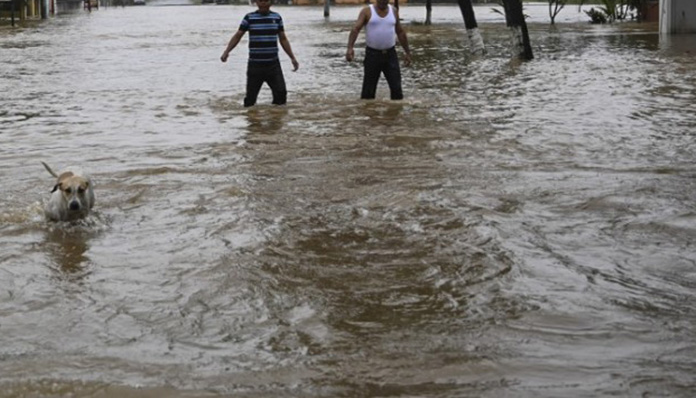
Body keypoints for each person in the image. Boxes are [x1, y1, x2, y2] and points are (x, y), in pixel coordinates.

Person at [221, 0, 299, 107]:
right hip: (255, 65)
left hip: (273, 65)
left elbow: (283, 39)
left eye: (265, 0)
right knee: (250, 99)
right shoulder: (249, 18)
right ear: (256, 2)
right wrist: (227, 51)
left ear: (270, 2)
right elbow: (238, 35)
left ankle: (275, 120)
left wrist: (292, 58)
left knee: (281, 95)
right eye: (260, 0)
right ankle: (252, 120)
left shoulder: (276, 18)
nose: (263, 3)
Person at [346, 0, 411, 100]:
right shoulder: (367, 11)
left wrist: (407, 52)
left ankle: (395, 114)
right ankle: (369, 114)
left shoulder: (393, 11)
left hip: (390, 55)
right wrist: (350, 48)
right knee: (368, 92)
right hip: (372, 55)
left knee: (397, 90)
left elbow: (400, 32)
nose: (383, 2)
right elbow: (356, 29)